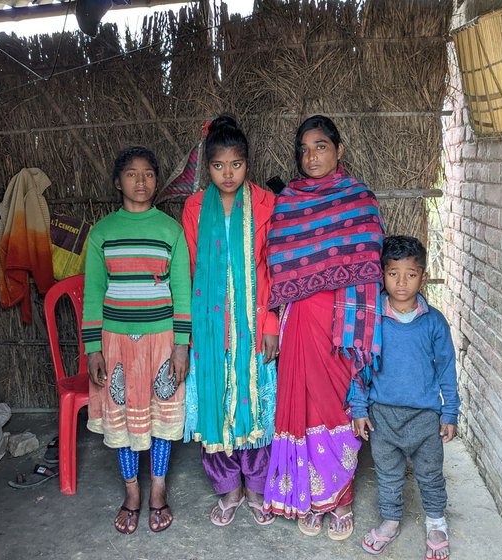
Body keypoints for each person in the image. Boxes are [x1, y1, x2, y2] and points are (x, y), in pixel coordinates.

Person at [263, 115, 385, 540]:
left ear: (339, 150)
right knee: (304, 406)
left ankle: (342, 499)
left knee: (338, 405)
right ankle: (311, 499)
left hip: (341, 322)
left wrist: (352, 322)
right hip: (299, 319)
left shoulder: (359, 199)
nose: (311, 156)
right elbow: (277, 259)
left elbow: (370, 260)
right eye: (305, 150)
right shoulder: (289, 201)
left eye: (320, 147)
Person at [82, 146, 191, 534]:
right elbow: (93, 293)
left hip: (161, 342)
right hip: (116, 344)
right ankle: (132, 493)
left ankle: (158, 489)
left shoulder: (170, 230)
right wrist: (92, 348)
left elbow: (181, 289)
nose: (140, 181)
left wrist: (181, 345)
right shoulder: (103, 233)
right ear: (118, 181)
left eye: (148, 174)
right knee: (124, 417)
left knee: (161, 417)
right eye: (131, 173)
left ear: (156, 181)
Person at [182, 115, 279, 527]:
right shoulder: (192, 208)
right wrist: (187, 336)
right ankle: (229, 489)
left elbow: (274, 267)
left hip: (253, 326)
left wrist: (272, 325)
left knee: (254, 406)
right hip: (209, 327)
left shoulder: (264, 204)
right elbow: (187, 270)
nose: (228, 174)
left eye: (235, 165)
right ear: (207, 167)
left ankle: (256, 488)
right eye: (219, 166)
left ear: (247, 164)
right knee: (214, 404)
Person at [350, 235, 459, 559]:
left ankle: (436, 521)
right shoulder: (371, 320)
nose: (401, 282)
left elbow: (447, 368)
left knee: (430, 474)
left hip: (425, 418)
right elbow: (359, 364)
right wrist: (359, 406)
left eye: (410, 274)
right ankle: (391, 519)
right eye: (393, 273)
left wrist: (449, 412)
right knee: (388, 474)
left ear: (423, 277)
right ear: (382, 274)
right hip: (382, 414)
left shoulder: (434, 322)